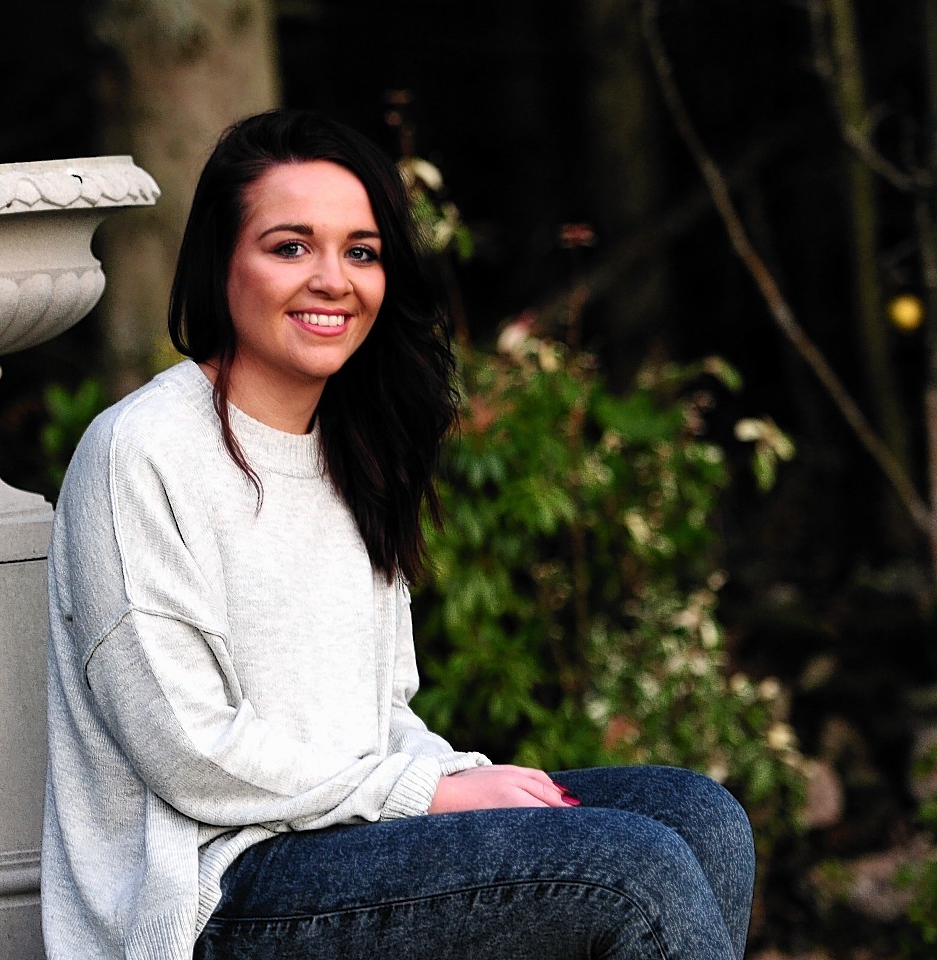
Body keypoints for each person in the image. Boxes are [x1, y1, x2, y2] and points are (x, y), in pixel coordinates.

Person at [42, 108, 755, 960]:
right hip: (210, 890)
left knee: (698, 816)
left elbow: (379, 714)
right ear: (220, 265)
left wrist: (450, 775)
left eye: (362, 251)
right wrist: (428, 793)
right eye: (290, 247)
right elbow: (189, 750)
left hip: (344, 843)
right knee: (629, 872)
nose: (333, 280)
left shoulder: (354, 448)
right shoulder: (141, 451)